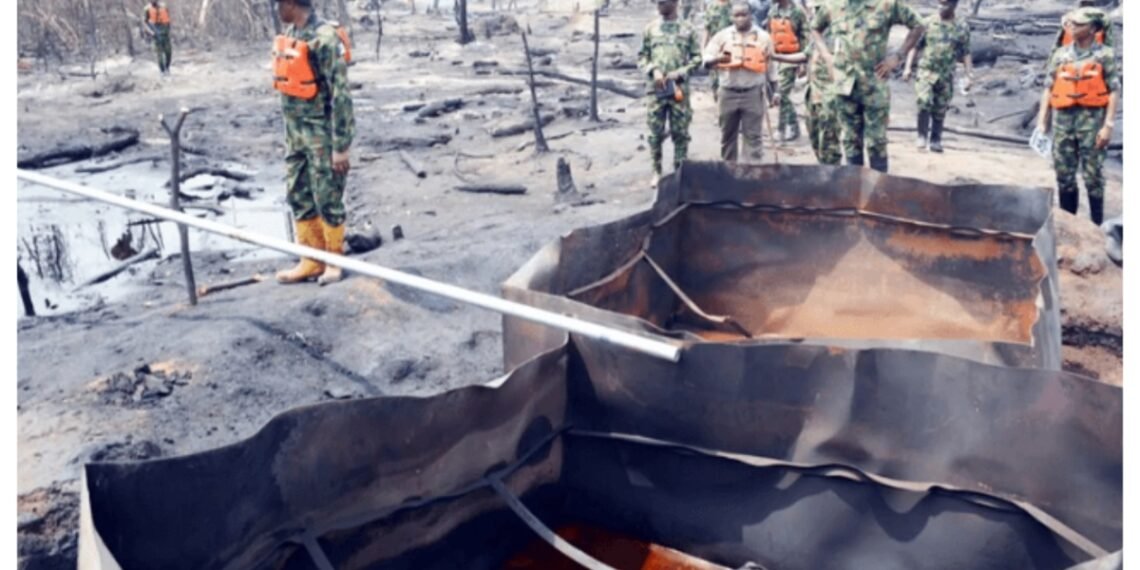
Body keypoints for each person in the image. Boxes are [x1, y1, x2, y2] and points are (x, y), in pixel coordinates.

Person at [272, 0, 356, 285]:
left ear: (291, 4)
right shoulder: (294, 36)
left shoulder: (324, 38)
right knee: (298, 193)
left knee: (327, 196)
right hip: (296, 136)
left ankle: (333, 260)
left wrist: (341, 146)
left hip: (321, 135)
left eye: (278, 4)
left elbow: (341, 95)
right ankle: (311, 259)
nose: (276, 10)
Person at [810, 0, 925, 172]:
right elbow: (815, 28)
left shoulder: (886, 4)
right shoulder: (832, 5)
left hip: (874, 84)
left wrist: (898, 56)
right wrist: (826, 56)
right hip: (845, 86)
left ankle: (878, 191)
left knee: (876, 142)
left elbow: (918, 25)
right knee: (850, 140)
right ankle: (854, 190)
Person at [1035, 8, 1118, 225]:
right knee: (1064, 175)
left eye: (1079, 24)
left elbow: (1114, 90)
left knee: (1093, 177)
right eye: (1070, 23)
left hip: (1091, 123)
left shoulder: (1105, 55)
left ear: (1092, 29)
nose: (1072, 27)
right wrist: (1042, 119)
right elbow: (1048, 87)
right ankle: (1069, 225)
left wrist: (1108, 125)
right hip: (1063, 123)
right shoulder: (1060, 54)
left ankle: (1097, 226)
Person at [703, 1, 805, 163]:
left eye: (744, 14)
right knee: (728, 137)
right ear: (731, 17)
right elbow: (706, 59)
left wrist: (776, 91)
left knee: (754, 138)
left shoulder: (763, 37)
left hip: (753, 94)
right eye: (737, 15)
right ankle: (730, 173)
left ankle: (752, 176)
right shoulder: (722, 36)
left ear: (751, 15)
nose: (741, 19)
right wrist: (718, 59)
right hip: (728, 93)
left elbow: (771, 69)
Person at [637, 0, 702, 183]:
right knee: (655, 132)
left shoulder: (687, 29)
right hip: (656, 89)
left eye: (663, 2)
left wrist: (681, 72)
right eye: (658, 3)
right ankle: (656, 171)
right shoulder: (650, 29)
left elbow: (697, 58)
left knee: (680, 132)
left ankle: (680, 172)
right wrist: (653, 70)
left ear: (675, 3)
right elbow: (642, 56)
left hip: (679, 89)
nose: (659, 5)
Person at [902, 0, 972, 153]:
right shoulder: (927, 23)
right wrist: (907, 67)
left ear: (954, 5)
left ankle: (935, 139)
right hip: (926, 71)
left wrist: (969, 75)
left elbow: (966, 52)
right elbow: (915, 46)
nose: (941, 7)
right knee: (923, 101)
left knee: (940, 108)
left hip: (946, 74)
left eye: (945, 4)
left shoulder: (961, 27)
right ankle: (921, 136)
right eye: (939, 3)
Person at [761, 0, 808, 142]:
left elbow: (804, 36)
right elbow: (769, 34)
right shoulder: (772, 11)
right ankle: (791, 127)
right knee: (781, 94)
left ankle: (784, 128)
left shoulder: (798, 12)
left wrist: (803, 63)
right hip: (775, 57)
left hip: (792, 57)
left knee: (782, 92)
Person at [804, 27, 840, 164]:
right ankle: (824, 169)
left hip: (830, 96)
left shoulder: (840, 35)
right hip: (813, 94)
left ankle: (833, 175)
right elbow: (804, 55)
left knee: (829, 142)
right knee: (815, 137)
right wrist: (775, 56)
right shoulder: (818, 36)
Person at [704, 0, 733, 101]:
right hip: (714, 50)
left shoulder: (732, 7)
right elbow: (707, 29)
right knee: (715, 81)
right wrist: (704, 49)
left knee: (728, 79)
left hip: (729, 50)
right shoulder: (711, 7)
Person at [142, 1, 173, 75]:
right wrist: (151, 32)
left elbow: (168, 20)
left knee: (168, 52)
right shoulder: (147, 9)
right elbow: (145, 22)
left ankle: (167, 68)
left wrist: (169, 30)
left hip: (165, 33)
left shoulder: (164, 6)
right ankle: (162, 71)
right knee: (159, 54)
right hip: (155, 34)